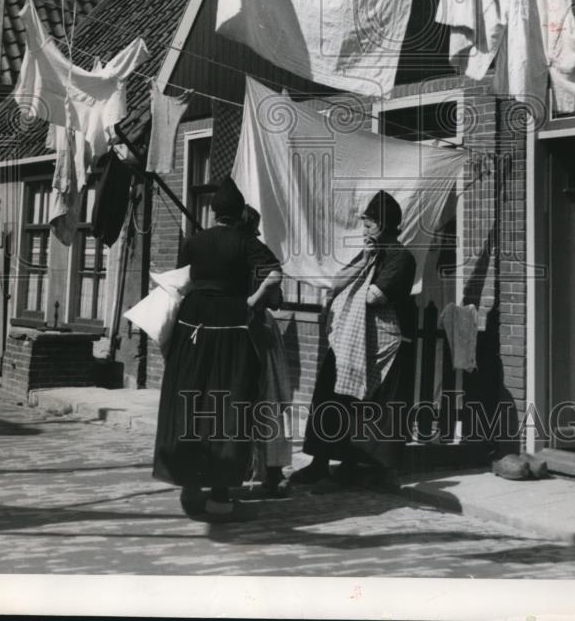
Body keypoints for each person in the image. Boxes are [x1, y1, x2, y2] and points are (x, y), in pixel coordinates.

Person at [153, 176, 282, 521]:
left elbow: (185, 280)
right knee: (228, 399)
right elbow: (275, 274)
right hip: (230, 324)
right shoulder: (245, 240)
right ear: (239, 214)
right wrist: (251, 303)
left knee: (190, 396)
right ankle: (220, 498)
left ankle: (189, 487)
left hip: (192, 324)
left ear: (213, 214)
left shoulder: (195, 242)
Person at [290, 190, 416, 490]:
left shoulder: (400, 258)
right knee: (328, 397)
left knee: (361, 409)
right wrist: (365, 261)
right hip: (348, 338)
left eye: (370, 223)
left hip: (379, 345)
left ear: (384, 226)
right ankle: (319, 463)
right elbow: (338, 283)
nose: (365, 229)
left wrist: (366, 268)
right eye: (365, 223)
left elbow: (373, 297)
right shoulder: (369, 255)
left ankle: (354, 468)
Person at [239, 204, 293, 499]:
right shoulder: (261, 255)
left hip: (237, 333)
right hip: (256, 331)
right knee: (267, 404)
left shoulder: (222, 252)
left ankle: (252, 468)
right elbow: (276, 300)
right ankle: (271, 471)